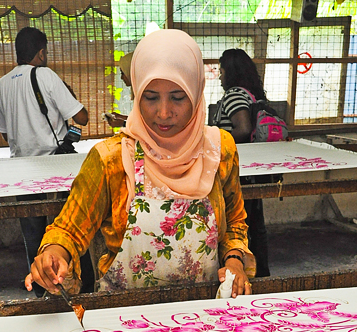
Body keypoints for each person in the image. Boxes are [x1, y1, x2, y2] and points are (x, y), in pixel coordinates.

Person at [25, 29, 255, 299]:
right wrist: (54, 254)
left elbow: (235, 220)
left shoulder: (219, 149)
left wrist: (234, 260)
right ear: (136, 93)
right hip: (127, 318)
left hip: (202, 314)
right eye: (151, 97)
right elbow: (69, 229)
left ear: (196, 91)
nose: (164, 112)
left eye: (178, 97)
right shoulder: (111, 159)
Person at [0, 26, 91, 296]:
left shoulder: (0, 85)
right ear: (41, 52)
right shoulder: (46, 75)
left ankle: (41, 291)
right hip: (56, 168)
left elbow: (5, 134)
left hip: (21, 172)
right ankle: (77, 287)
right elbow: (81, 118)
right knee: (69, 230)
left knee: (34, 237)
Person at [212, 48, 271, 277]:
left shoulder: (235, 94)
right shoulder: (253, 94)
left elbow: (244, 129)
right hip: (254, 168)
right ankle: (262, 272)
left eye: (222, 70)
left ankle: (247, 271)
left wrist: (219, 141)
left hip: (240, 171)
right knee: (256, 222)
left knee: (240, 223)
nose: (220, 76)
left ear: (231, 72)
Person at [105, 52, 134, 129]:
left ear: (131, 72)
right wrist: (121, 117)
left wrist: (123, 123)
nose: (121, 78)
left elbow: (145, 126)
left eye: (122, 73)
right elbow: (139, 120)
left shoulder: (145, 94)